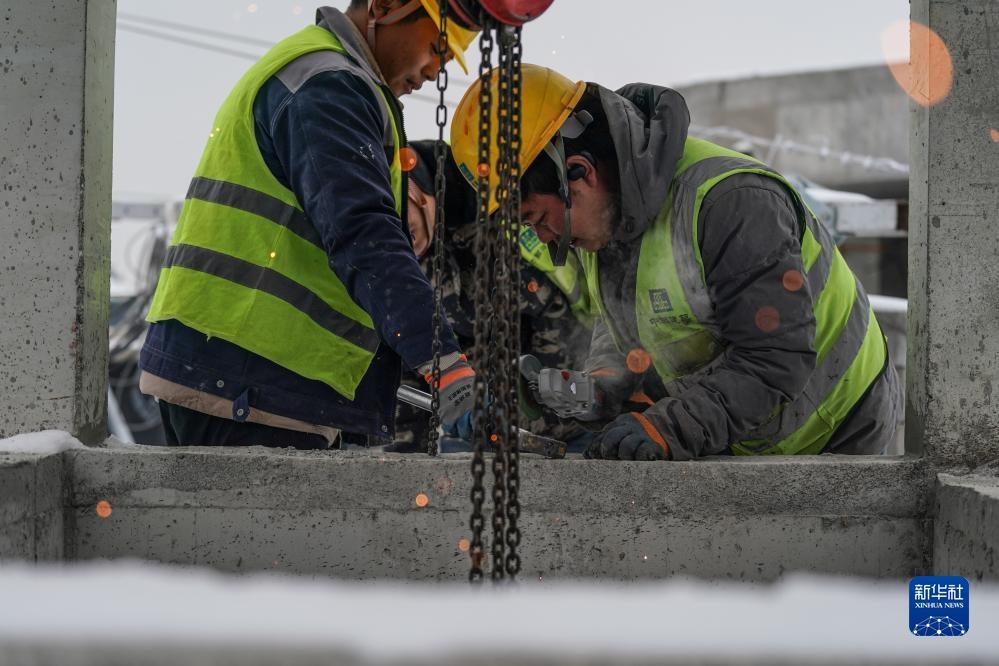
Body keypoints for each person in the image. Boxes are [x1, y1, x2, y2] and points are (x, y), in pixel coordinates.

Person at [451, 65, 903, 460]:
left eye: (537, 219)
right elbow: (628, 324)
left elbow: (774, 357)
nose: (545, 238)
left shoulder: (731, 203)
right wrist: (598, 387)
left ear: (579, 173)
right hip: (755, 430)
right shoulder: (607, 220)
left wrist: (669, 429)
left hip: (839, 421)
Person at [139, 2, 480, 449]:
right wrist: (447, 366)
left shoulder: (320, 75)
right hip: (249, 380)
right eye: (436, 49)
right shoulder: (329, 85)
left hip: (240, 373)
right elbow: (365, 235)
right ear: (385, 7)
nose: (436, 72)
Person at [391, 140, 594, 452]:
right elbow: (410, 359)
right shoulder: (403, 273)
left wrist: (546, 406)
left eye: (408, 228)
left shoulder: (502, 214)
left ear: (414, 192)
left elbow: (554, 313)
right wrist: (406, 452)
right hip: (477, 435)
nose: (405, 242)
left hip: (567, 426)